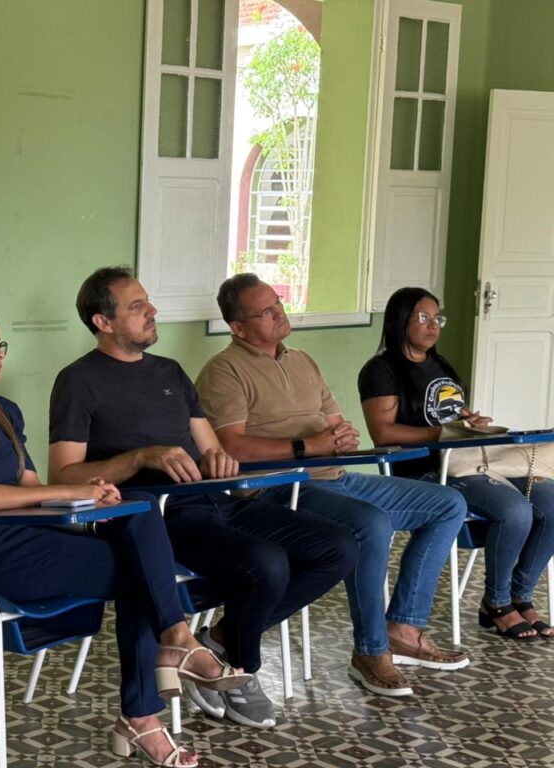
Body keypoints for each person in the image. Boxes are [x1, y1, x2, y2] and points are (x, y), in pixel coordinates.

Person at [0, 302, 247, 767]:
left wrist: (93, 495)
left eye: (1, 344)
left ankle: (168, 660)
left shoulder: (4, 412)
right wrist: (71, 489)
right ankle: (155, 688)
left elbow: (31, 489)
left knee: (139, 508)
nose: (0, 353)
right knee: (143, 570)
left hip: (42, 537)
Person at [47, 267, 356, 729]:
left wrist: (218, 460)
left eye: (148, 300)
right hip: (155, 516)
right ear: (103, 322)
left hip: (215, 500)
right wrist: (141, 458)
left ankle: (221, 644)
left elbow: (212, 449)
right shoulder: (78, 380)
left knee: (339, 547)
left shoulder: (170, 372)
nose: (153, 310)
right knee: (267, 563)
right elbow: (62, 475)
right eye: (137, 306)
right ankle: (243, 671)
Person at [197, 273, 470, 698]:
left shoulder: (302, 360)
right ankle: (370, 651)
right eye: (266, 311)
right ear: (238, 327)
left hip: (336, 476)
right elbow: (231, 446)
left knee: (449, 503)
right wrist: (308, 446)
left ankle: (403, 628)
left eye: (278, 303)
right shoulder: (224, 370)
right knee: (371, 523)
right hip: (279, 488)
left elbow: (337, 424)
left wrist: (342, 437)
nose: (279, 313)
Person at [359, 287, 554, 640]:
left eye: (438, 318)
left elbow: (449, 416)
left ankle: (520, 595)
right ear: (400, 320)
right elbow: (383, 433)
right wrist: (442, 433)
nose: (433, 325)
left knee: (551, 502)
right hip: (424, 472)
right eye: (424, 317)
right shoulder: (381, 369)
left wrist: (469, 423)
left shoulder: (441, 365)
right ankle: (496, 603)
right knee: (515, 511)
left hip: (468, 462)